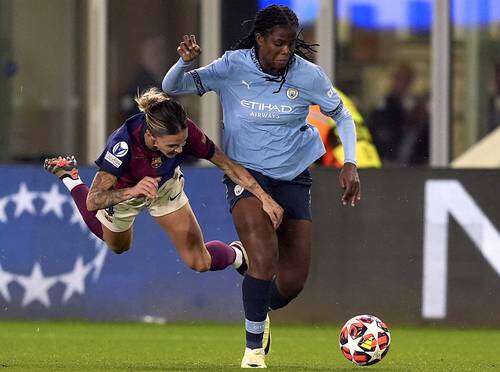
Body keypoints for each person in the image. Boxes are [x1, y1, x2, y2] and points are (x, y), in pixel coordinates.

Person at [162, 4, 361, 368]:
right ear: (259, 39)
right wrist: (184, 62)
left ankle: (239, 260)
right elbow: (172, 87)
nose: (285, 52)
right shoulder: (231, 66)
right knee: (265, 262)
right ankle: (253, 352)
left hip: (294, 177)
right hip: (247, 176)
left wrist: (350, 162)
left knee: (291, 284)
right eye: (278, 44)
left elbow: (342, 116)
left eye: (291, 45)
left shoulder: (308, 75)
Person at [43, 88, 283, 282]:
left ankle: (238, 255)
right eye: (173, 147)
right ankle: (72, 178)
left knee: (200, 262)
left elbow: (228, 166)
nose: (180, 150)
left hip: (165, 186)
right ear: (151, 137)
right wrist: (134, 191)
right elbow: (94, 200)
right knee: (119, 247)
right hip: (124, 193)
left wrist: (265, 197)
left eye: (183, 143)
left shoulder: (185, 132)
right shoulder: (123, 145)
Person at [307, 89, 382, 168]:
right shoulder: (330, 93)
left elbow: (307, 150)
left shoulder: (311, 98)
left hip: (345, 169)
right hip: (370, 166)